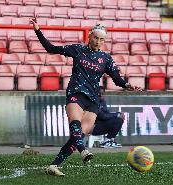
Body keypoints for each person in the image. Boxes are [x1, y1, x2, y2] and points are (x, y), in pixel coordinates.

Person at [29, 17, 142, 176]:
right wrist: (37, 30)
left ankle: (54, 165)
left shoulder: (106, 58)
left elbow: (117, 79)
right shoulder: (77, 50)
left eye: (101, 39)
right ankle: (83, 151)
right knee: (75, 123)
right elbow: (51, 48)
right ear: (89, 37)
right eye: (96, 37)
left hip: (93, 100)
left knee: (79, 133)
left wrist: (126, 85)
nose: (98, 41)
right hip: (76, 93)